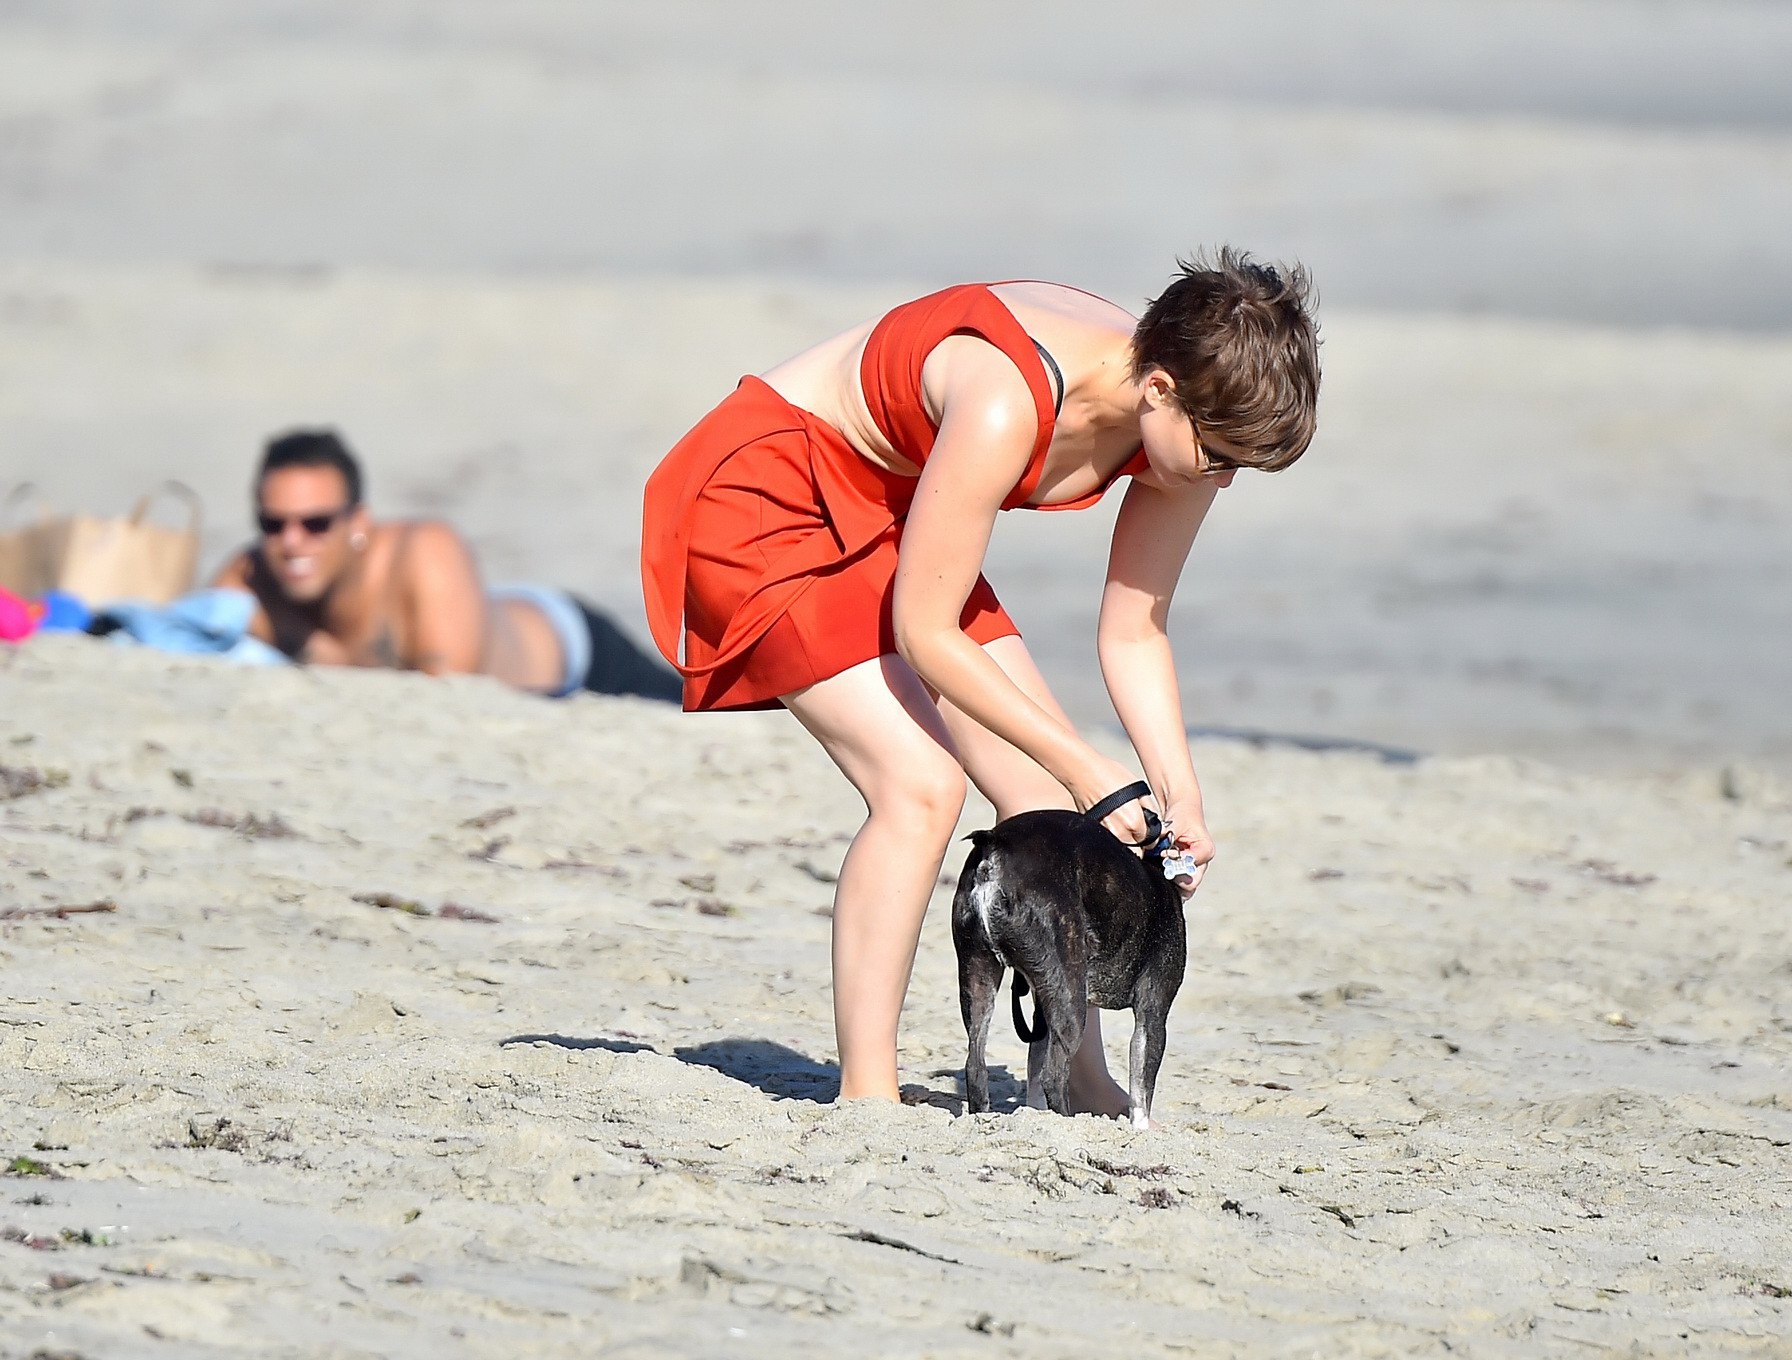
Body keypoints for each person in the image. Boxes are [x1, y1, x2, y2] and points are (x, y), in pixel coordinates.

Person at [642, 250, 1320, 1110]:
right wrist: (1092, 769)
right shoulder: (1010, 396)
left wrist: (1177, 794)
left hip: (894, 506)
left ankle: (1079, 1077)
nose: (1223, 480)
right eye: (1220, 458)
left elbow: (1134, 629)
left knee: (1047, 799)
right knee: (919, 787)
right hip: (772, 489)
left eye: (1243, 468)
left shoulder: (1190, 423)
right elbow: (925, 634)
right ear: (1157, 388)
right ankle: (868, 1095)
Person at [215, 429, 683, 701]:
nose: (292, 542)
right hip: (482, 615)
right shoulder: (251, 580)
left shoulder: (425, 552)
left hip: (575, 654)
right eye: (273, 524)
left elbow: (449, 701)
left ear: (358, 522)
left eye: (315, 523)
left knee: (702, 710)